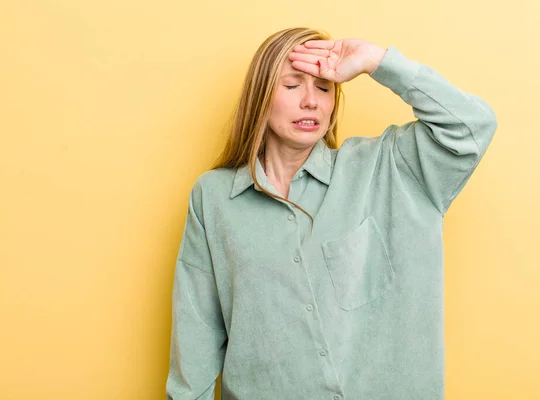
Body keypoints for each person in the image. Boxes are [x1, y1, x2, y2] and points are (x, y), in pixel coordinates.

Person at [166, 27, 497, 400]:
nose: (311, 101)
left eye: (323, 88)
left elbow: (472, 127)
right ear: (260, 97)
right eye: (292, 86)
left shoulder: (391, 167)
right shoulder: (213, 197)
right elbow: (196, 334)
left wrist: (378, 62)